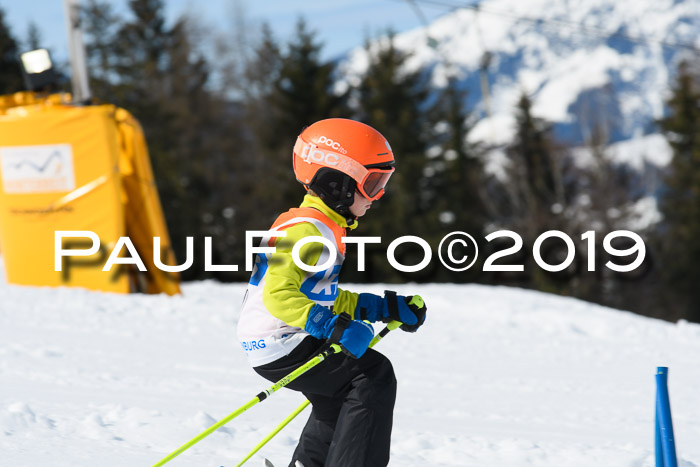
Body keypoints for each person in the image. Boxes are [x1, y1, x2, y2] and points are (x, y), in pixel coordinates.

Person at [237, 118, 427, 467]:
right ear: (336, 183)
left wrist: (381, 307)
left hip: (278, 339)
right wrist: (334, 328)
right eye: (372, 183)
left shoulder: (320, 225)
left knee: (337, 398)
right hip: (281, 340)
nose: (379, 195)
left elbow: (321, 296)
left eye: (382, 182)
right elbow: (279, 296)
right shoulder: (307, 230)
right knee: (372, 377)